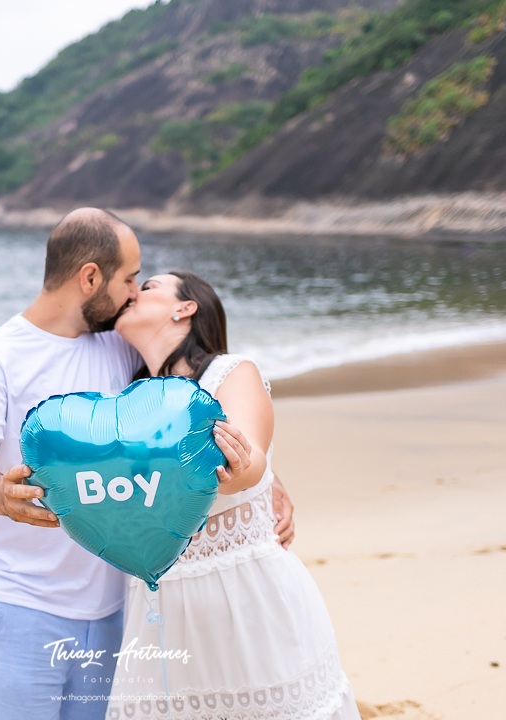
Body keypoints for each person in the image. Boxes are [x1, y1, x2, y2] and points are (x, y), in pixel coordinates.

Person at [0, 209, 296, 720]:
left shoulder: (121, 346)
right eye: (130, 279)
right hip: (22, 605)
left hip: (117, 609)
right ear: (90, 278)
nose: (135, 292)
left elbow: (196, 415)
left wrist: (266, 480)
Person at [106, 271, 361, 720]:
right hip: (158, 606)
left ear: (184, 308)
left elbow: (252, 460)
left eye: (148, 287)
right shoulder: (126, 399)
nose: (133, 292)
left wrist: (242, 470)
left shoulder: (230, 371)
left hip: (241, 594)